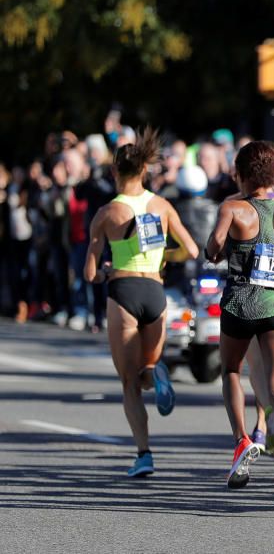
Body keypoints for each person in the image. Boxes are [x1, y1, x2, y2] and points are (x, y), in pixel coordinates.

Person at [205, 141, 274, 515]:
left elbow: (212, 248)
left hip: (240, 303)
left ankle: (241, 440)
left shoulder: (232, 208)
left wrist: (221, 249)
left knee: (232, 371)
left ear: (239, 173)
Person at [84, 129, 199, 477]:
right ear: (145, 171)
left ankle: (144, 454)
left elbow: (88, 273)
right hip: (155, 293)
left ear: (116, 173)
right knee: (145, 370)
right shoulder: (161, 205)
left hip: (124, 293)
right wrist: (164, 257)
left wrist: (106, 272)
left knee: (129, 384)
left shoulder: (107, 213)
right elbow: (192, 251)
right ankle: (156, 371)